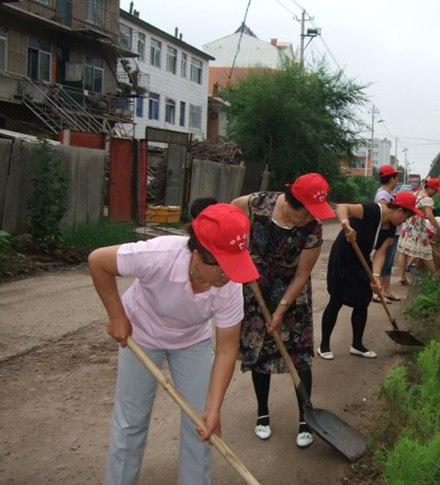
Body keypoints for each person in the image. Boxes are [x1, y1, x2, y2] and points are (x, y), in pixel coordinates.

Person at [88, 204, 259, 485]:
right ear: (197, 256)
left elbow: (227, 350)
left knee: (203, 425)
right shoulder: (158, 254)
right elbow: (98, 261)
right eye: (222, 266)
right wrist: (117, 315)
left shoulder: (230, 286)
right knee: (131, 423)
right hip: (141, 334)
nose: (228, 275)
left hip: (191, 341)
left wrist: (214, 408)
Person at [231, 173, 335, 449]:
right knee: (259, 351)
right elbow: (231, 215)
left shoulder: (313, 229)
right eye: (308, 213)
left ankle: (306, 418)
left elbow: (302, 275)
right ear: (292, 202)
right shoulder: (257, 203)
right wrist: (240, 248)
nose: (312, 219)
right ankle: (262, 415)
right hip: (256, 288)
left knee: (299, 355)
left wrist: (281, 311)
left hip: (292, 294)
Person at [318, 191, 422, 360]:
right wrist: (346, 225)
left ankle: (357, 345)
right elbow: (342, 207)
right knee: (337, 299)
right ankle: (324, 346)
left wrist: (375, 276)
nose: (404, 222)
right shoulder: (372, 210)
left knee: (363, 300)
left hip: (361, 259)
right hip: (343, 255)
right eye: (406, 218)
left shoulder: (391, 229)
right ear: (400, 211)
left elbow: (380, 253)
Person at [396, 178, 440, 285]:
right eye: (435, 190)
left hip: (407, 225)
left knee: (404, 251)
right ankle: (435, 276)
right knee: (426, 252)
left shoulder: (415, 194)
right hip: (417, 228)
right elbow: (430, 216)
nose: (435, 193)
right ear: (430, 188)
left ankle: (401, 276)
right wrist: (439, 229)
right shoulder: (427, 199)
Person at [374, 164, 403, 304]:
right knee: (383, 262)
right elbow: (383, 216)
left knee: (389, 263)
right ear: (392, 179)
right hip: (387, 234)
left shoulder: (389, 194)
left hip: (394, 233)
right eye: (396, 178)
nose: (397, 180)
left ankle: (386, 289)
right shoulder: (383, 195)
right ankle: (377, 291)